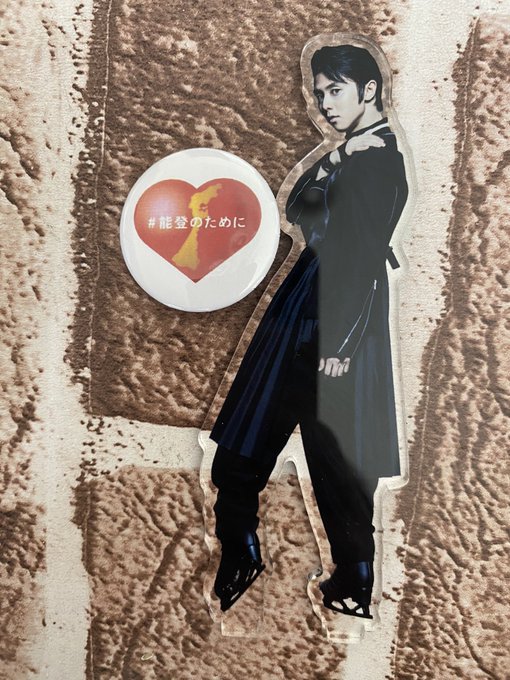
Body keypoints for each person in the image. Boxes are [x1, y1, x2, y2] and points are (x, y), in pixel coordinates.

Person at [209, 44, 409, 618]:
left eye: (335, 91)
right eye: (319, 93)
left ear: (368, 90)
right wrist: (337, 155)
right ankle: (254, 553)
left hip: (337, 314)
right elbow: (299, 208)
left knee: (334, 460)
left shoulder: (378, 162)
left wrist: (340, 344)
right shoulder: (356, 153)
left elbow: (361, 257)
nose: (324, 104)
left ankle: (348, 582)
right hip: (310, 304)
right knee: (261, 441)